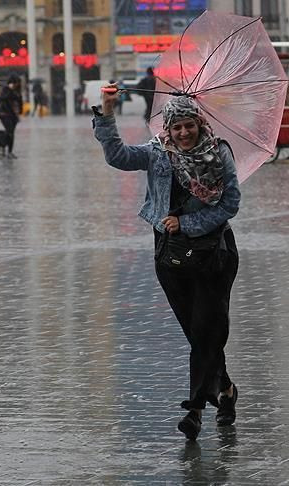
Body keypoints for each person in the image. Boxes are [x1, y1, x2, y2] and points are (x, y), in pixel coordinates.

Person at [94, 85, 241, 441]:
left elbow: (230, 203)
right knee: (197, 330)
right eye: (176, 127)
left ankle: (194, 410)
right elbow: (118, 156)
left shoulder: (219, 153)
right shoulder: (158, 154)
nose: (184, 132)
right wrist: (107, 113)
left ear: (199, 123)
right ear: (168, 129)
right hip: (170, 255)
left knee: (208, 326)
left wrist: (188, 223)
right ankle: (225, 388)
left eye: (189, 125)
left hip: (213, 254)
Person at [0, 74, 23, 158]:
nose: (17, 84)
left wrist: (20, 111)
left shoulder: (17, 91)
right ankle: (2, 147)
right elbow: (3, 98)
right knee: (9, 131)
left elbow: (19, 101)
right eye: (16, 83)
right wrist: (10, 90)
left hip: (14, 115)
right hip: (5, 114)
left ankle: (9, 151)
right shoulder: (6, 89)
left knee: (11, 133)